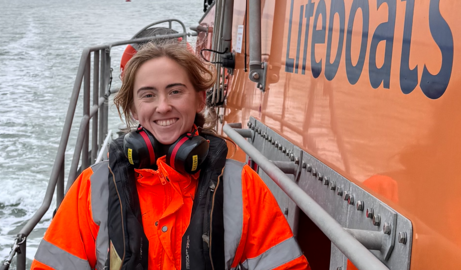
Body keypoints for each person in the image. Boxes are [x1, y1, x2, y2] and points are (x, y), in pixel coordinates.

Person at [31, 42, 310, 270]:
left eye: (175, 91)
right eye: (148, 95)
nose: (163, 106)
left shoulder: (242, 186)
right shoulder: (93, 187)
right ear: (132, 108)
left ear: (200, 98)